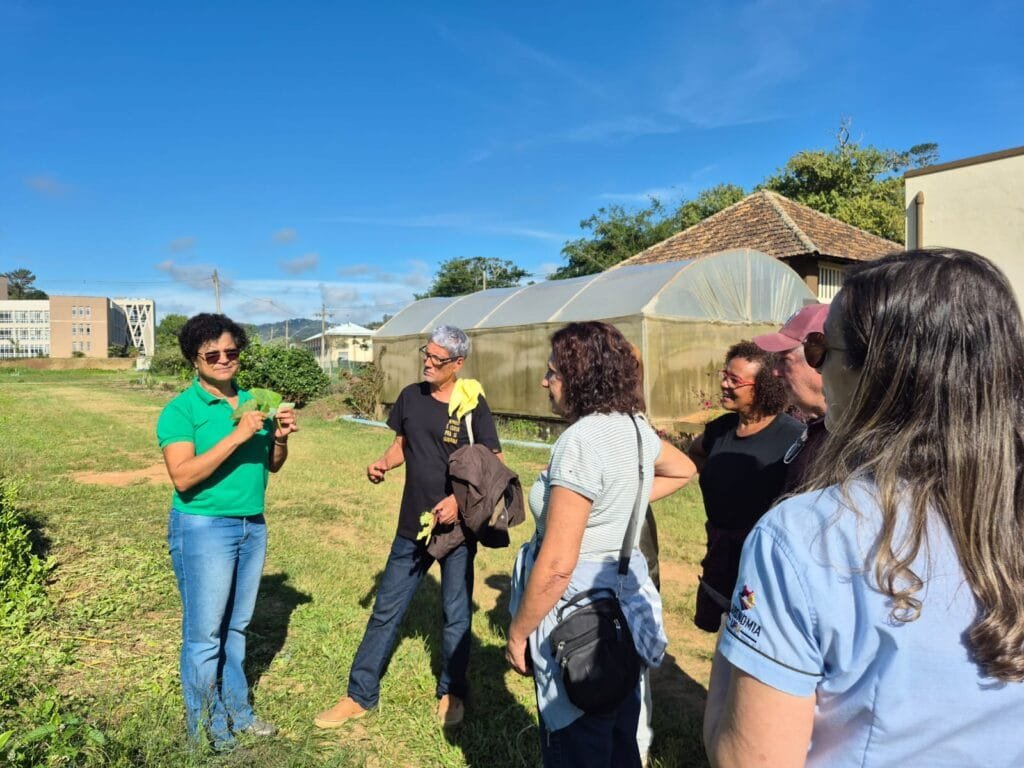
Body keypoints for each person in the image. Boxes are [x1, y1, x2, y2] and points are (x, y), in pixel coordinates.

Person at [704, 249, 1024, 767]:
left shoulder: (807, 534)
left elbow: (749, 758)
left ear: (876, 372)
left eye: (820, 348)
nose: (814, 365)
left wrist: (733, 642)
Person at [506, 321, 697, 768]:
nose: (545, 381)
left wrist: (517, 633)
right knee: (617, 733)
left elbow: (558, 564)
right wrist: (619, 501)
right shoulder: (634, 428)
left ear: (579, 376)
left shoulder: (580, 441)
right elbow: (684, 468)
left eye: (553, 372)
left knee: (575, 735)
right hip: (620, 606)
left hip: (574, 612)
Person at [315, 325, 501, 730]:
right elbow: (402, 444)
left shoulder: (472, 404)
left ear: (458, 363)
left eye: (437, 358)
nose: (428, 363)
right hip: (413, 524)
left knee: (455, 613)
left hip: (456, 531)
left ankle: (452, 691)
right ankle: (359, 695)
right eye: (426, 354)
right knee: (386, 610)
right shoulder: (410, 397)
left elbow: (493, 462)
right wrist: (383, 463)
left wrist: (459, 503)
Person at [157, 313, 298, 751]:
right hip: (203, 528)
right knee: (205, 637)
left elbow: (272, 464)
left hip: (251, 525)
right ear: (194, 359)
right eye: (211, 354)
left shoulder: (255, 402)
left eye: (230, 352)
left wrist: (280, 437)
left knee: (237, 628)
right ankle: (207, 729)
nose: (223, 360)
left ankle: (238, 711)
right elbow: (183, 476)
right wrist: (238, 435)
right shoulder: (181, 410)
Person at [688, 341, 803, 632]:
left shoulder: (792, 437)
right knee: (719, 630)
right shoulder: (720, 429)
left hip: (760, 561)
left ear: (763, 386)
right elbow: (695, 452)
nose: (724, 384)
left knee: (751, 632)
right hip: (718, 551)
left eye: (734, 380)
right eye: (724, 375)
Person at [753, 303, 829, 493]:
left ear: (821, 359)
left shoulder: (857, 445)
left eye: (785, 360)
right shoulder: (820, 429)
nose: (775, 372)